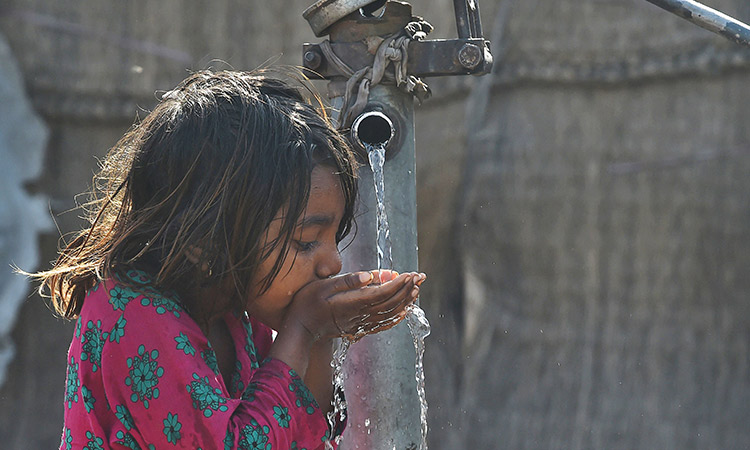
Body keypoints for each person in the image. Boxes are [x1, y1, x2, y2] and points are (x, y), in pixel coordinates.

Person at [31, 69, 425, 449]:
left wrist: (322, 332)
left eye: (332, 238)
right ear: (206, 242)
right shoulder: (135, 315)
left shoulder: (231, 314)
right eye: (306, 241)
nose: (332, 264)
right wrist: (302, 330)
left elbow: (304, 435)